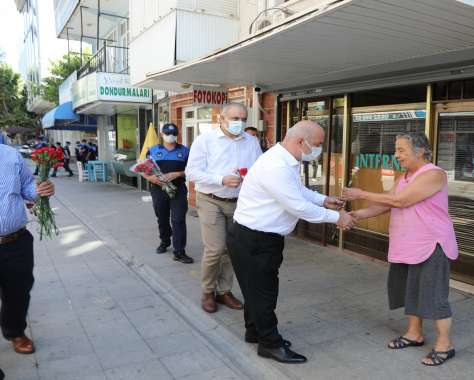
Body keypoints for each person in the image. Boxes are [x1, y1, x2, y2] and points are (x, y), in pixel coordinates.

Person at [227, 120, 354, 364]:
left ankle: (255, 332)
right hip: (255, 239)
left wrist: (323, 199)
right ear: (300, 141)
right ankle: (270, 344)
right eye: (316, 144)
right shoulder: (276, 166)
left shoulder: (285, 159)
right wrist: (337, 218)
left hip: (257, 237)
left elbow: (297, 191)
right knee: (264, 294)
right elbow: (297, 205)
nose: (318, 149)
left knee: (256, 291)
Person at [342, 132, 459, 367]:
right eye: (396, 150)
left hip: (431, 244)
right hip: (407, 244)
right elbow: (387, 201)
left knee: (434, 296)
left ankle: (445, 344)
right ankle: (414, 333)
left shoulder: (434, 174)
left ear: (420, 151)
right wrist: (357, 214)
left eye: (401, 150)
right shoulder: (406, 176)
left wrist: (361, 193)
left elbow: (401, 201)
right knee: (409, 291)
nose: (396, 155)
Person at [186, 103, 262, 313]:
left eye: (243, 119)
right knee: (215, 248)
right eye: (235, 118)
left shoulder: (251, 141)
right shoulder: (205, 141)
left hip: (239, 203)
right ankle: (207, 290)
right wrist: (221, 179)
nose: (240, 123)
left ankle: (224, 291)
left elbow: (258, 170)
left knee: (232, 249)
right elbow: (192, 172)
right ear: (221, 118)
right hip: (210, 199)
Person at [0, 143, 55, 355]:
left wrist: (41, 190)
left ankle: (15, 332)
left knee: (18, 293)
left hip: (16, 242)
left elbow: (28, 189)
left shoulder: (11, 155)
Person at [140, 123, 193, 264]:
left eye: (174, 133)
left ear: (178, 134)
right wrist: (151, 178)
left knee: (178, 219)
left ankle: (179, 251)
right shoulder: (153, 150)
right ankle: (164, 241)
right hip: (159, 189)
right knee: (162, 217)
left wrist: (178, 173)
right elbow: (144, 168)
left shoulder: (186, 151)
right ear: (162, 134)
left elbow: (193, 170)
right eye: (167, 133)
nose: (171, 136)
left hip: (178, 189)